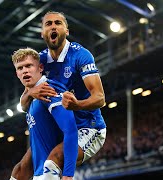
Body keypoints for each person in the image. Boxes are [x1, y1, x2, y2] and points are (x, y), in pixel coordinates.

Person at [10, 11, 107, 180]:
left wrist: (77, 105)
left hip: (87, 127)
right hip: (58, 128)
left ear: (66, 31)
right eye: (48, 24)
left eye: (58, 23)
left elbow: (100, 98)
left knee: (53, 161)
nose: (53, 26)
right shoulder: (39, 61)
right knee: (21, 170)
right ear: (42, 33)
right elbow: (24, 105)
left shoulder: (80, 56)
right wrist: (31, 92)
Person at [11, 47, 78, 180]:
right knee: (17, 171)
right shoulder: (32, 96)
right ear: (17, 74)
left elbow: (71, 130)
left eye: (29, 66)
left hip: (49, 173)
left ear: (40, 68)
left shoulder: (48, 90)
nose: (25, 71)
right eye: (20, 68)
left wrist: (68, 175)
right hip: (39, 171)